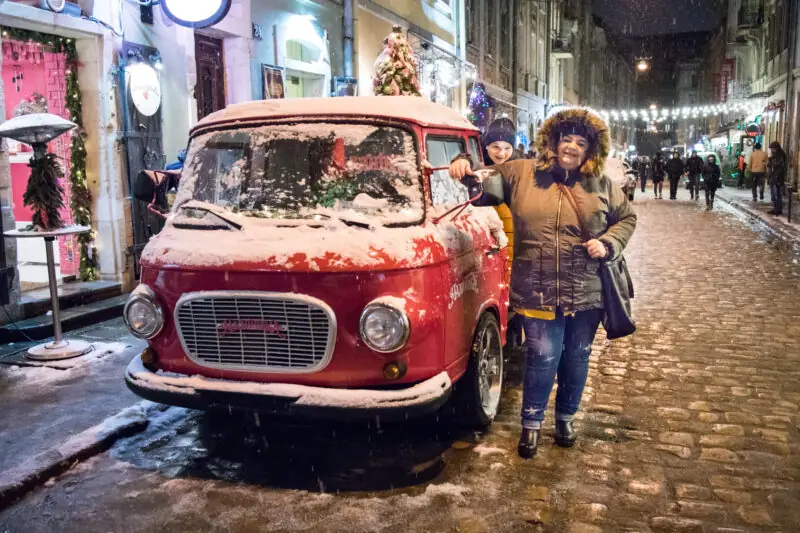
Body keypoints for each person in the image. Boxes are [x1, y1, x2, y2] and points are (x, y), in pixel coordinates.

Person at [448, 107, 637, 459]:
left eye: (581, 142)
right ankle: (531, 424)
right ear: (553, 141)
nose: (572, 147)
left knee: (577, 358)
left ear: (590, 150)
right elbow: (482, 182)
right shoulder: (522, 173)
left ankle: (566, 418)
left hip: (587, 290)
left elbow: (626, 218)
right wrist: (463, 165)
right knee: (543, 355)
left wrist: (608, 242)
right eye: (567, 139)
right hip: (537, 287)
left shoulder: (602, 185)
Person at [482, 118, 524, 348]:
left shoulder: (520, 168)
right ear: (486, 145)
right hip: (492, 241)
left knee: (514, 294)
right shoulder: (479, 166)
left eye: (507, 147)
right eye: (496, 147)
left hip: (515, 239)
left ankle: (516, 339)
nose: (501, 153)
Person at [767, 141, 788, 215]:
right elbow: (770, 165)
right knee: (773, 195)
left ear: (775, 148)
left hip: (777, 178)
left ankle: (778, 209)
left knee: (777, 195)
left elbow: (778, 165)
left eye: (772, 148)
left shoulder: (781, 155)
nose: (771, 150)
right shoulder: (774, 155)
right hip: (773, 178)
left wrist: (770, 160)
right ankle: (775, 208)